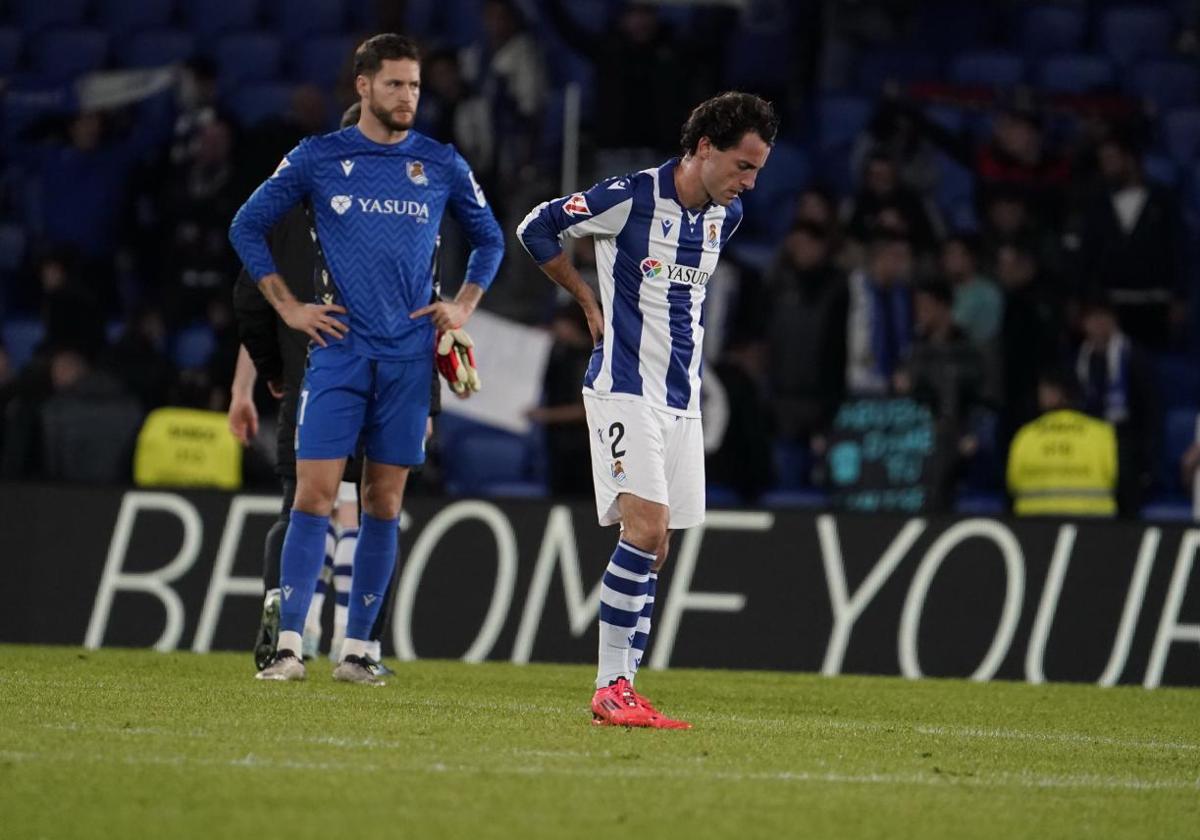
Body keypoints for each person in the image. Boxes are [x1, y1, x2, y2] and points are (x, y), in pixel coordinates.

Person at [229, 33, 504, 685]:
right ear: (363, 86)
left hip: (408, 362)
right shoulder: (319, 157)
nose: (408, 96)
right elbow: (246, 226)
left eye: (414, 85)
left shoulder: (441, 163)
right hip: (337, 354)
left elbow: (490, 240)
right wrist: (290, 309)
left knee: (383, 503)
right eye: (395, 85)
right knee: (314, 498)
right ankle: (291, 648)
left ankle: (359, 651)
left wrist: (463, 306)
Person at [517, 90, 778, 729]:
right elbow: (535, 227)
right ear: (704, 148)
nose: (749, 183)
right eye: (743, 166)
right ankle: (610, 686)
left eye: (758, 171)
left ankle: (626, 686)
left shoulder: (724, 217)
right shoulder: (632, 195)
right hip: (623, 387)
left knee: (657, 551)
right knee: (646, 530)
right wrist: (584, 299)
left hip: (681, 399)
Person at [1007, 368, 1117, 517]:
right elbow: (1118, 480)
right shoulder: (1101, 434)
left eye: (1043, 390)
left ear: (1054, 393)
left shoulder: (1027, 435)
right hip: (1093, 527)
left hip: (1032, 528)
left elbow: (1012, 483)